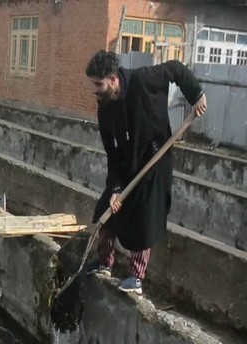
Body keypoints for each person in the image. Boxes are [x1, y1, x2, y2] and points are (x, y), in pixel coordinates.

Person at [84, 50, 207, 295]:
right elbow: (112, 153)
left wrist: (197, 94)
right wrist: (115, 189)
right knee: (104, 213)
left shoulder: (143, 80)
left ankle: (136, 278)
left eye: (98, 84)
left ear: (113, 79)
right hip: (126, 167)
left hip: (154, 162)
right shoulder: (105, 110)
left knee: (144, 219)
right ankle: (105, 263)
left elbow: (176, 68)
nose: (95, 90)